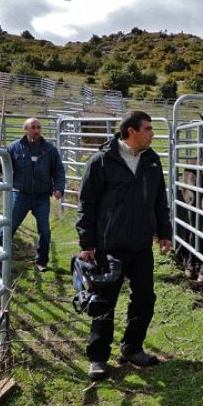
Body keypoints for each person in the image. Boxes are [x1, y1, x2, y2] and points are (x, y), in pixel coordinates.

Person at [76, 110, 173, 380]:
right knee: (104, 302)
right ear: (131, 131)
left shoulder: (151, 161)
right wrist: (87, 243)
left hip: (141, 246)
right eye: (148, 129)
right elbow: (87, 204)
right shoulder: (102, 161)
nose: (152, 134)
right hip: (109, 246)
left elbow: (159, 202)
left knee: (144, 299)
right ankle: (98, 358)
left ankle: (132, 348)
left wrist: (165, 233)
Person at [0, 117, 65, 272]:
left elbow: (59, 171)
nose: (36, 130)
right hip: (20, 195)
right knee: (8, 227)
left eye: (39, 127)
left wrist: (59, 188)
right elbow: (7, 171)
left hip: (41, 197)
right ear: (25, 129)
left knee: (44, 230)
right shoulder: (14, 148)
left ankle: (42, 262)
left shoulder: (49, 150)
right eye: (33, 127)